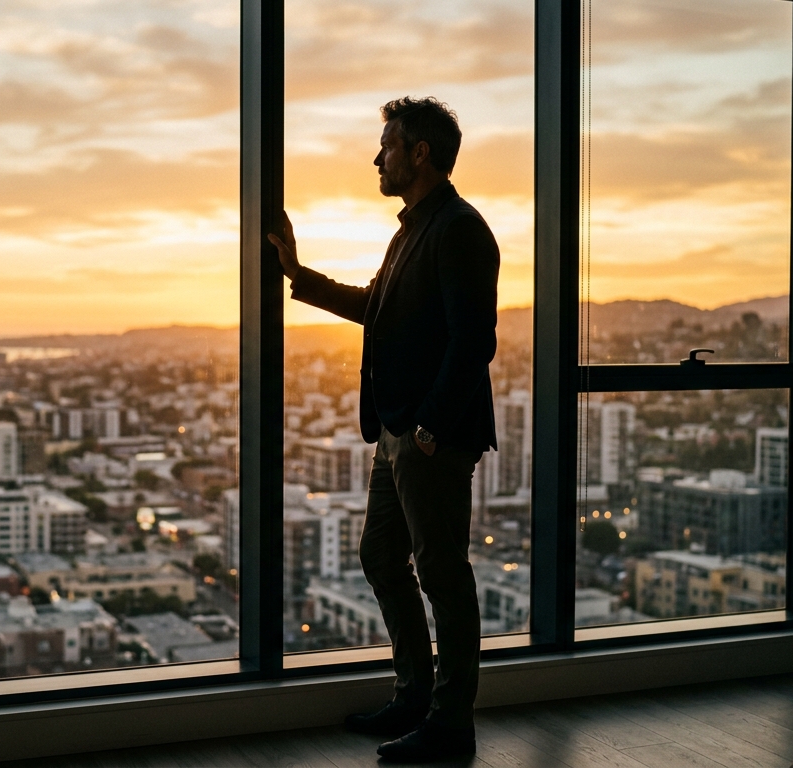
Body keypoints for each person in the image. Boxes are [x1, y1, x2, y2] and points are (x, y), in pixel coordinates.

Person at [269, 96, 499, 763]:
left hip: (431, 435)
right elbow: (380, 307)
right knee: (382, 558)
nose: (378, 156)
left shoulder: (458, 229)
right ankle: (414, 695)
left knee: (443, 576)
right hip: (400, 431)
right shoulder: (414, 229)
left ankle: (450, 723)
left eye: (387, 144)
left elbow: (473, 342)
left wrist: (429, 429)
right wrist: (297, 274)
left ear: (419, 153)